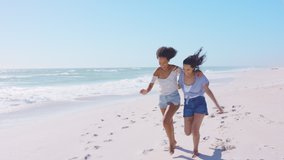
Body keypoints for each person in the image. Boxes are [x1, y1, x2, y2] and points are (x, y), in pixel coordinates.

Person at [178, 48, 224, 158]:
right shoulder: (182, 75)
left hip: (199, 103)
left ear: (194, 68)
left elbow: (208, 91)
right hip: (188, 104)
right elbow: (179, 86)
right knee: (187, 132)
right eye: (184, 69)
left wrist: (218, 106)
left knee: (195, 130)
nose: (185, 71)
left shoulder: (200, 76)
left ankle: (195, 150)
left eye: (188, 69)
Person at [140, 46, 181, 154]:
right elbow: (151, 84)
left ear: (168, 60)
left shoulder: (175, 69)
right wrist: (146, 91)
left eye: (164, 62)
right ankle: (174, 140)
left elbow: (186, 75)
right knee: (169, 122)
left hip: (174, 97)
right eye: (160, 63)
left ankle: (171, 143)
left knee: (165, 121)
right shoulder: (157, 71)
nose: (162, 65)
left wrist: (180, 84)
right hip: (162, 99)